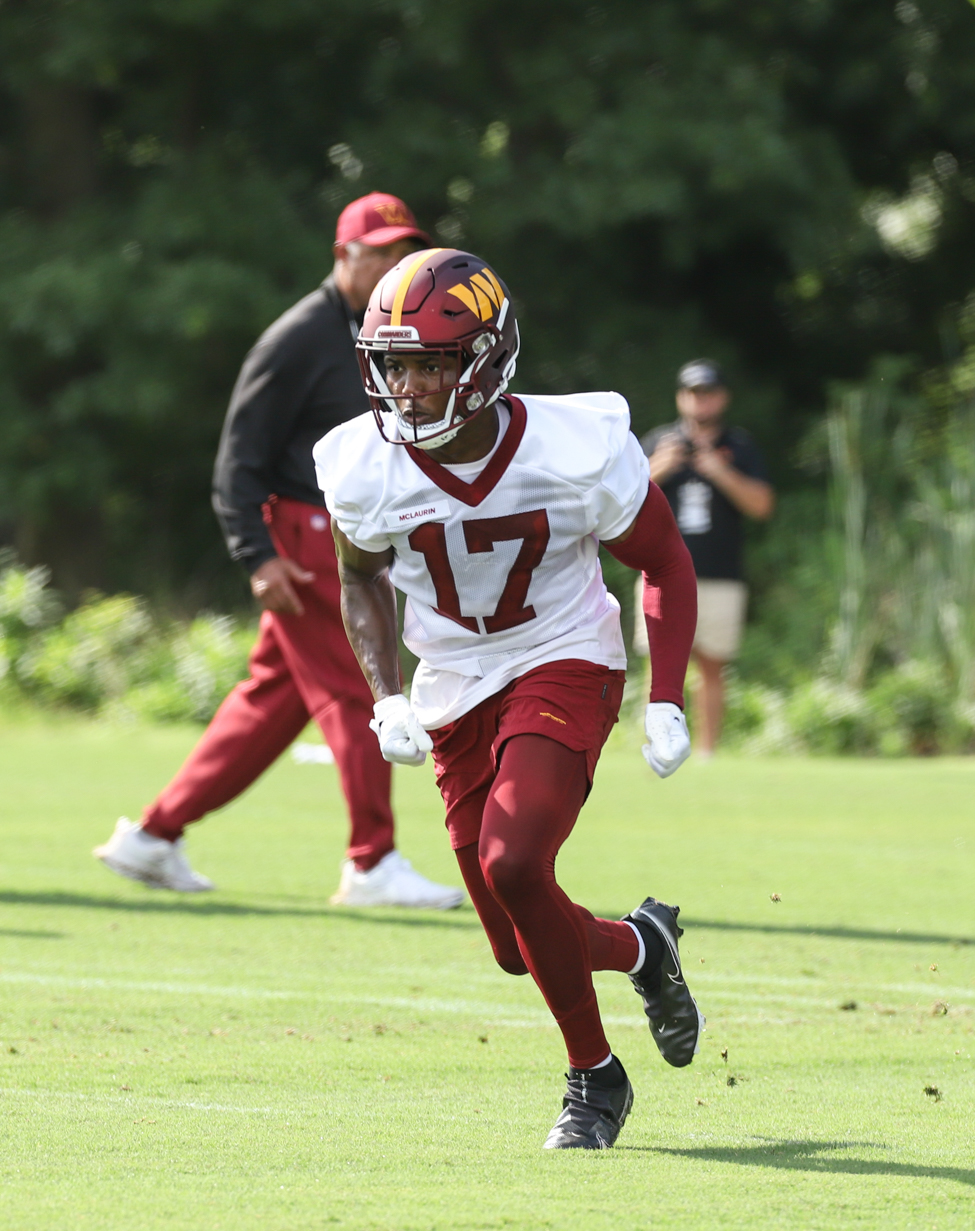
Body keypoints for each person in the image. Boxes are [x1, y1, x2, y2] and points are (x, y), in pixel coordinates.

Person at [313, 247, 703, 1150]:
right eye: (393, 364)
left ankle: (595, 1080)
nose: (406, 387)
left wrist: (666, 693)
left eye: (430, 363)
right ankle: (644, 944)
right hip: (453, 680)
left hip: (563, 654)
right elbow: (360, 579)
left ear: (484, 361)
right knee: (513, 940)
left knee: (516, 862)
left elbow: (665, 560)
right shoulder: (364, 466)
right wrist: (386, 693)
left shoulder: (574, 447)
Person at [93, 193, 464, 911]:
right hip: (306, 539)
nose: (393, 264)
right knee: (363, 686)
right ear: (344, 255)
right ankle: (372, 859)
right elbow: (238, 460)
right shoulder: (296, 336)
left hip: (342, 533)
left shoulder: (384, 331)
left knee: (270, 704)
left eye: (402, 251)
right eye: (379, 251)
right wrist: (255, 555)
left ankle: (153, 835)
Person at [638, 359, 774, 755]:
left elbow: (762, 505)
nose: (702, 403)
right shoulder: (659, 442)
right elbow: (619, 498)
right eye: (694, 393)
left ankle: (706, 752)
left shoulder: (740, 446)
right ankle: (659, 747)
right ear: (682, 397)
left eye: (709, 393)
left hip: (719, 574)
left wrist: (719, 471)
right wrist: (659, 467)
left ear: (723, 398)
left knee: (712, 665)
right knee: (659, 665)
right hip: (658, 572)